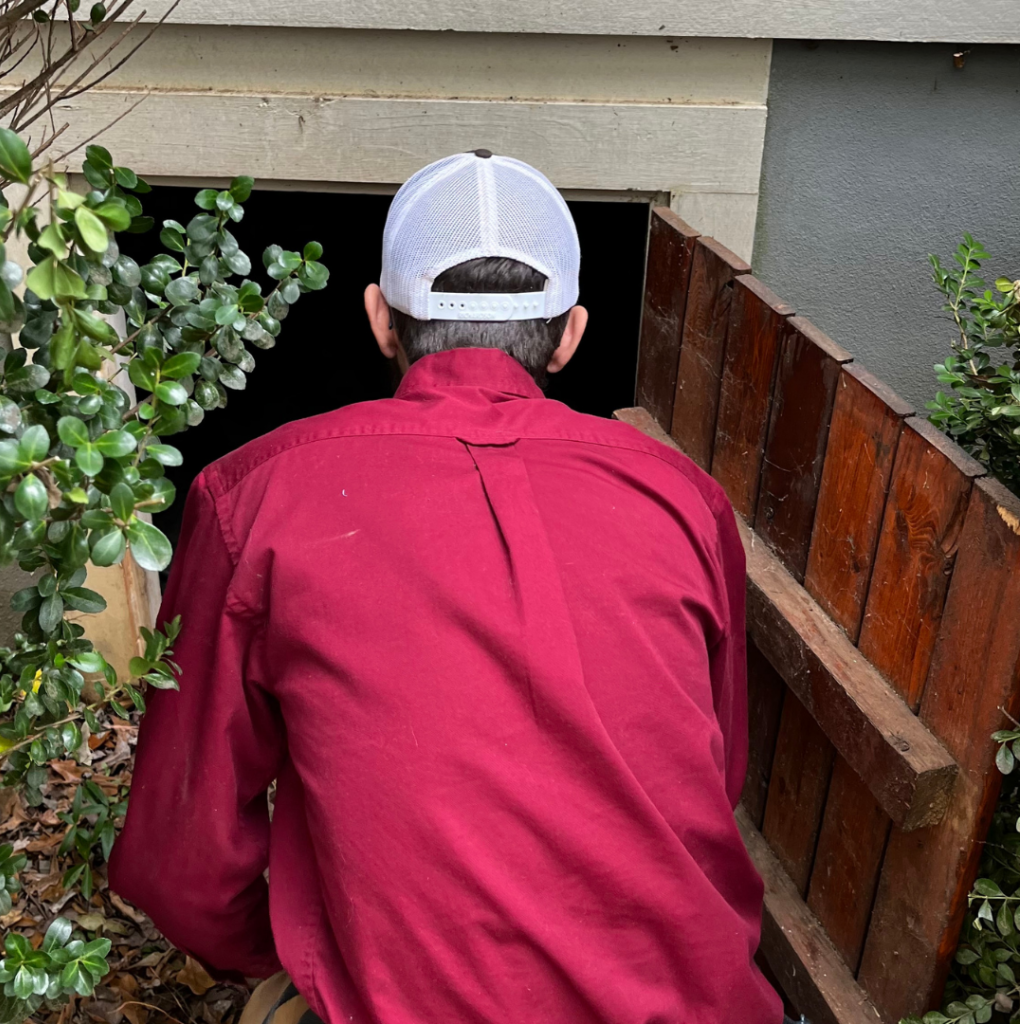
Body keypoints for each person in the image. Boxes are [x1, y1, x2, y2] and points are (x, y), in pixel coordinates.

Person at [109, 151, 786, 1024]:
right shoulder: (681, 500)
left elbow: (179, 863)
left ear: (379, 319)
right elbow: (714, 771)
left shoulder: (256, 497)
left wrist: (291, 954)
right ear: (572, 333)